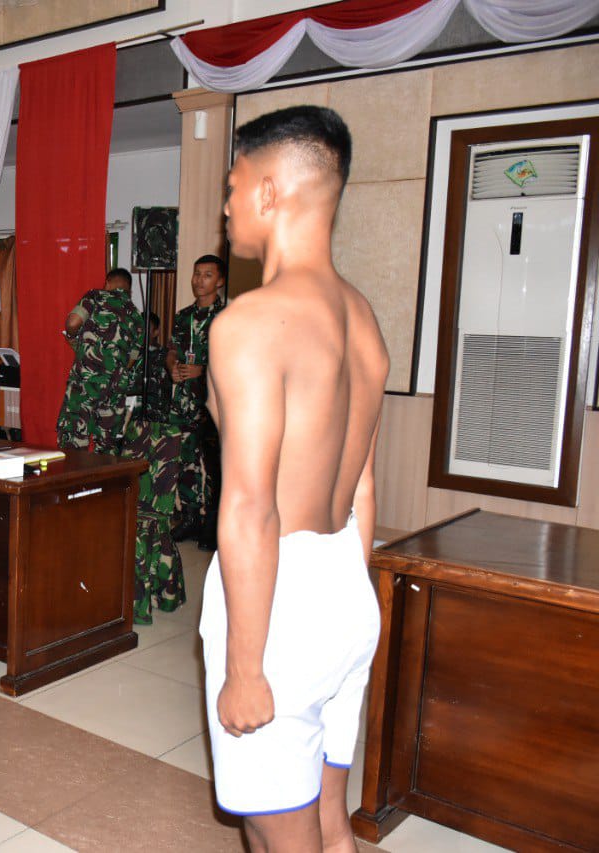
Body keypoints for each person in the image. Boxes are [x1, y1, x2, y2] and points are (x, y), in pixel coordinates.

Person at [199, 105, 388, 852]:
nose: (225, 207)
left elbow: (250, 507)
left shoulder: (248, 323)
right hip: (346, 584)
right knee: (331, 824)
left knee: (281, 831)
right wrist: (347, 605)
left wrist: (246, 667)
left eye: (232, 186)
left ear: (269, 191)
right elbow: (364, 490)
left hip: (276, 601)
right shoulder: (363, 317)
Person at [168, 254, 226, 550]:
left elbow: (235, 359)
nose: (199, 280)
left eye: (207, 275)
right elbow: (172, 351)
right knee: (183, 458)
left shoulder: (227, 317)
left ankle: (212, 523)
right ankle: (190, 517)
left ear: (220, 281)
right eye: (196, 274)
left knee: (213, 462)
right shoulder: (183, 316)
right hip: (183, 400)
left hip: (213, 402)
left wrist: (202, 370)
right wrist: (172, 367)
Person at [57, 267, 143, 455]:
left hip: (86, 383)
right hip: (115, 389)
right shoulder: (137, 317)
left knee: (74, 440)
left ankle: (74, 474)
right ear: (129, 290)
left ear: (108, 283)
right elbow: (131, 361)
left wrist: (72, 337)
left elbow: (72, 322)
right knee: (107, 446)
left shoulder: (95, 296)